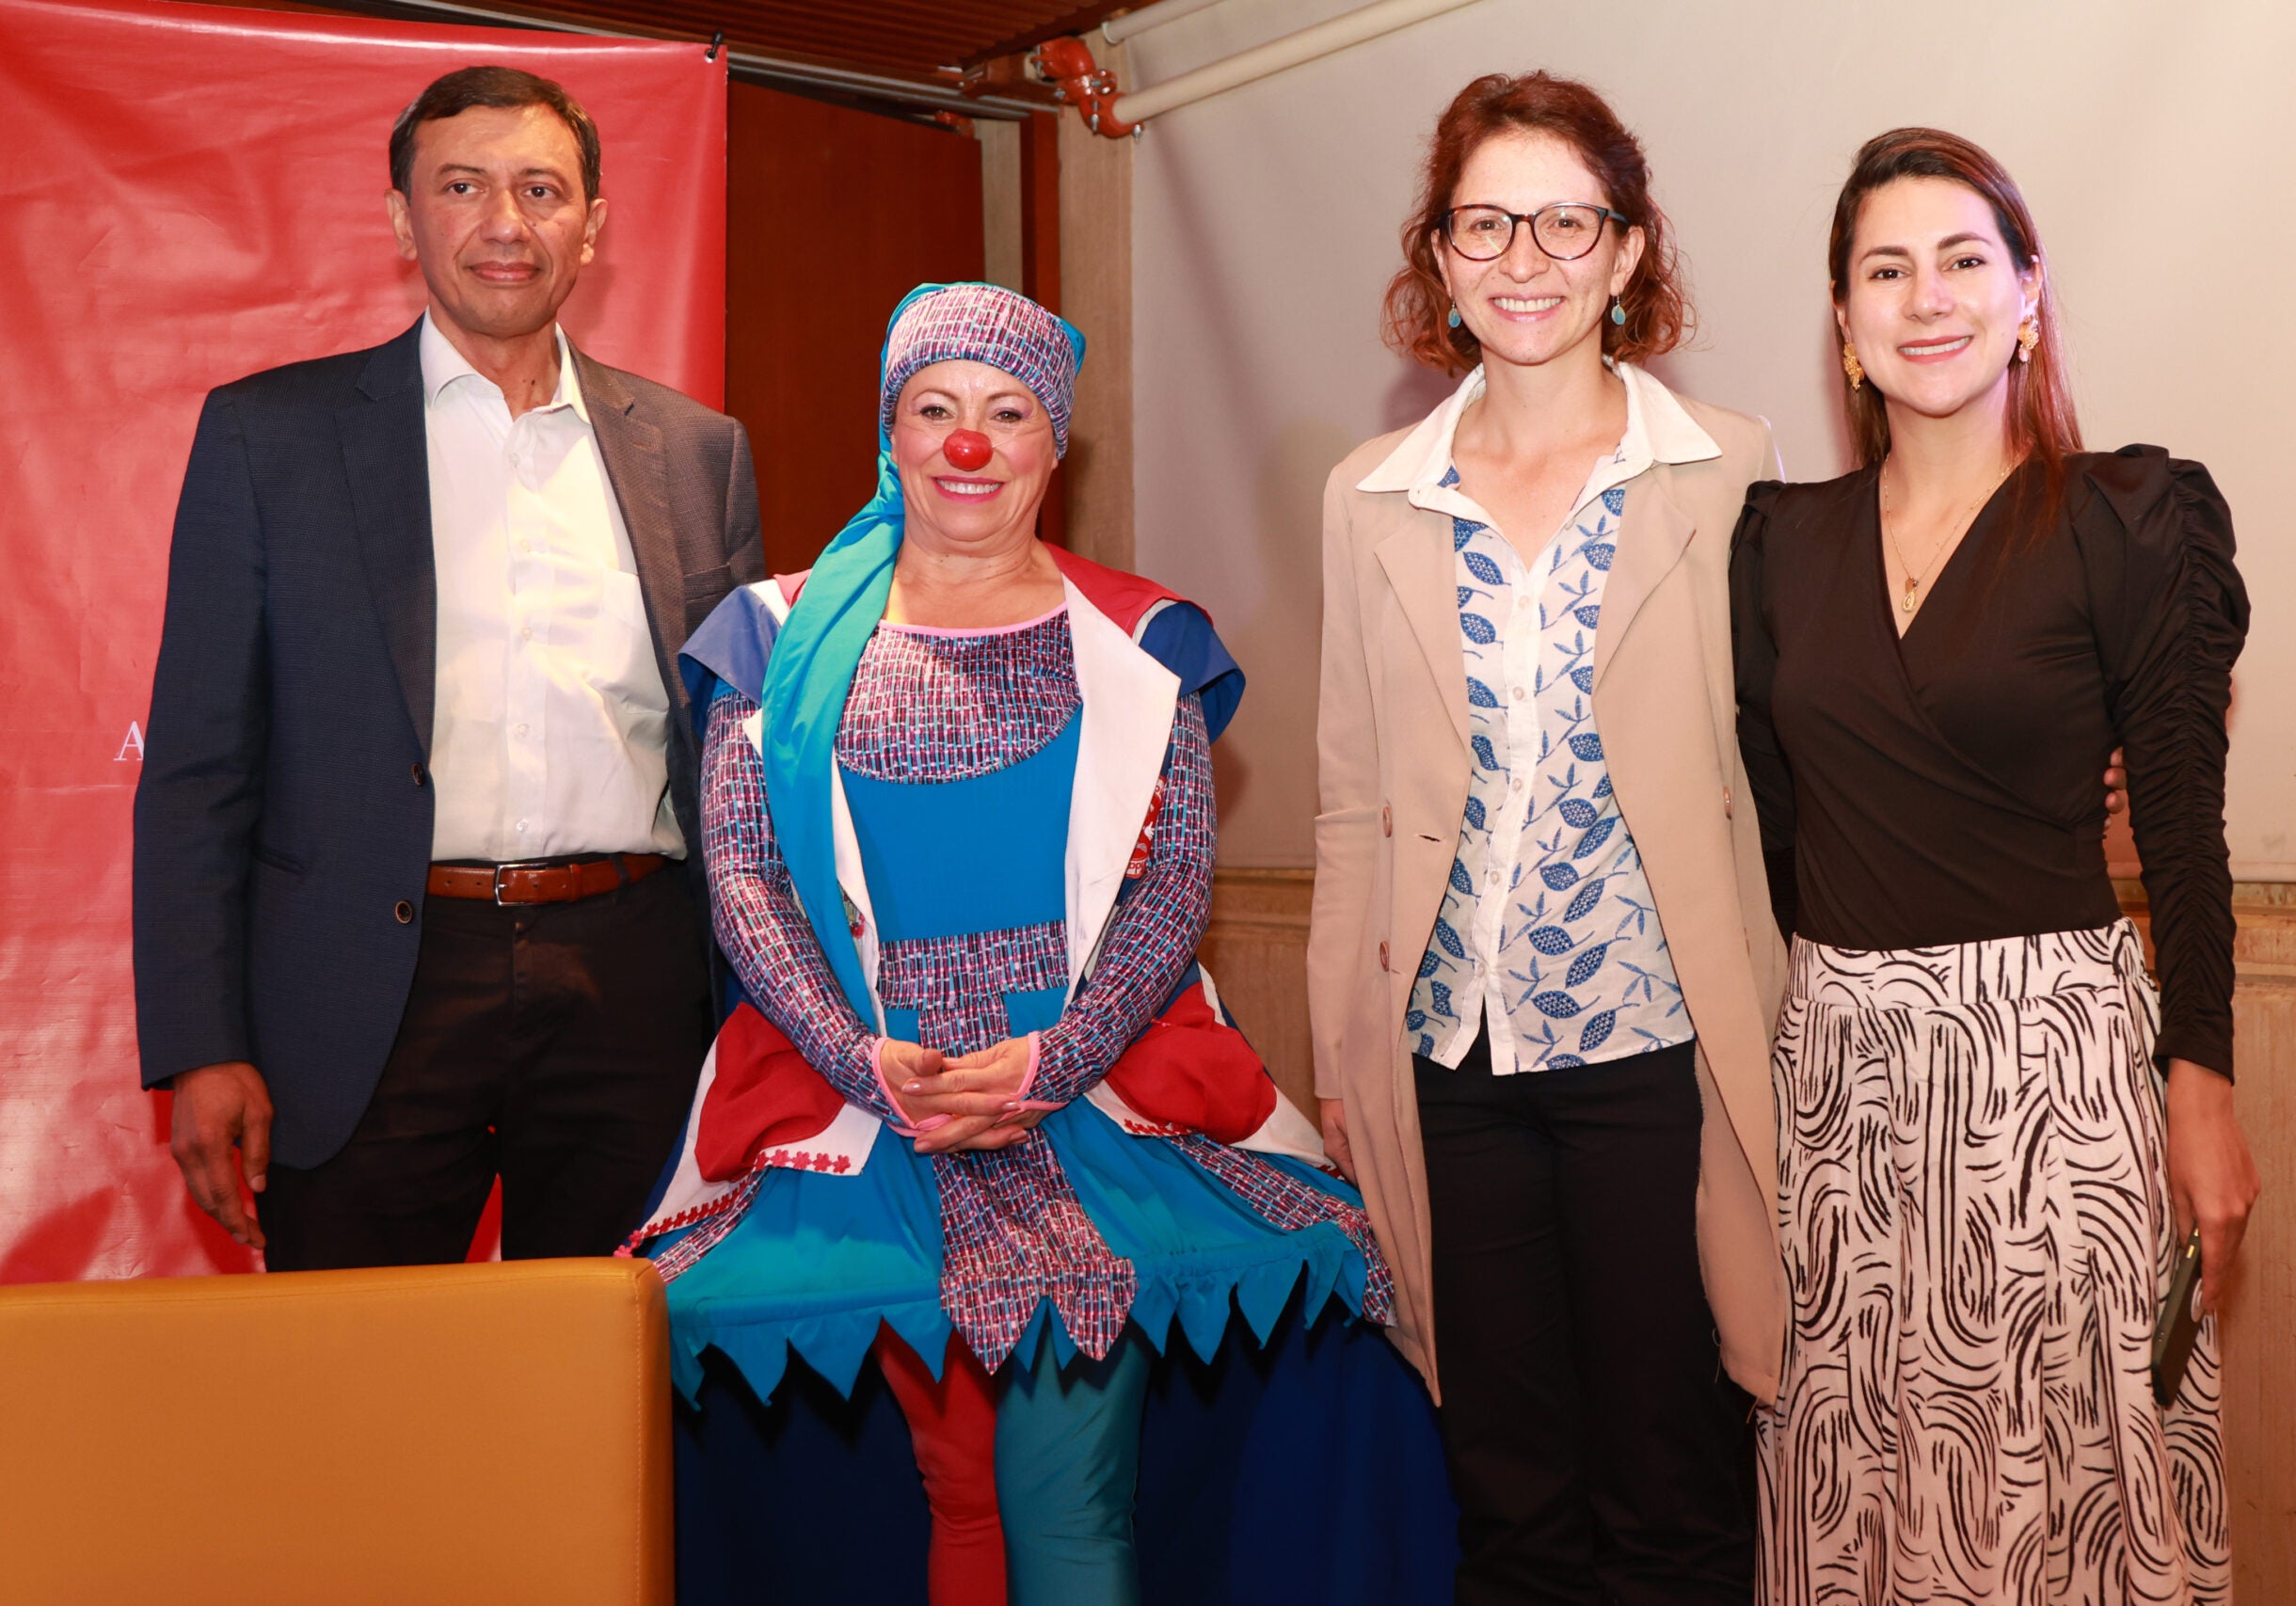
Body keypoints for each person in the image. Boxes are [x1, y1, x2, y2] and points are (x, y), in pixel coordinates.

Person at [629, 281, 1392, 1606]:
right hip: (872, 1108)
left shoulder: (1144, 640)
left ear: (1055, 443)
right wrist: (869, 1063)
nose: (967, 443)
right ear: (891, 431)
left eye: (1007, 410)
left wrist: (1053, 1059)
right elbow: (743, 879)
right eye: (934, 408)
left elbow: (1172, 885)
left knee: (1067, 1496)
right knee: (960, 1491)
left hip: (1091, 1103)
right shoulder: (773, 634)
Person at [1736, 128, 2256, 1603]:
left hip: (2054, 1081)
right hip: (1837, 1087)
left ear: (2029, 293)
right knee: (1859, 1488)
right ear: (1844, 321)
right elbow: (1773, 830)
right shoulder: (1774, 545)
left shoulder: (2127, 519)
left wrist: (2204, 1091)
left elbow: (2183, 831)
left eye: (1966, 259)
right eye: (1886, 269)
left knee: (2058, 1499)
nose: (1929, 297)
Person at [133, 66, 762, 1267]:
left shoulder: (698, 454)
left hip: (634, 987)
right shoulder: (271, 437)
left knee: (609, 1361)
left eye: (542, 190)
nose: (505, 223)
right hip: (366, 987)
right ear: (401, 217)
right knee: (366, 1364)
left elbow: (737, 765)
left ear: (593, 226)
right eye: (463, 187)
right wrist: (202, 1043)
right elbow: (199, 772)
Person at [1311, 72, 1788, 1605]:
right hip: (1450, 1059)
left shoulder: (1725, 467)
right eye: (1486, 223)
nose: (1525, 259)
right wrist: (1340, 1049)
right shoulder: (1369, 495)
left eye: (1566, 223)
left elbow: (1784, 758)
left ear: (1628, 250)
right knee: (1506, 1496)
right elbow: (1348, 793)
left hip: (1659, 1051)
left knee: (1672, 1481)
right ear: (1439, 256)